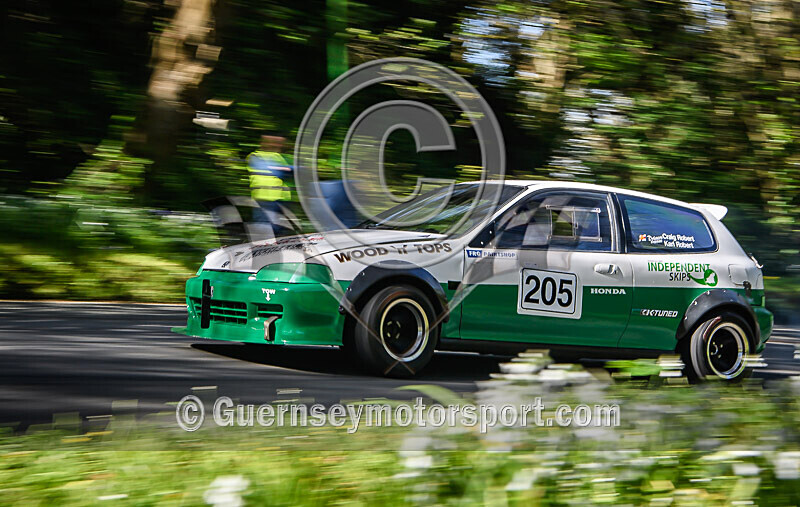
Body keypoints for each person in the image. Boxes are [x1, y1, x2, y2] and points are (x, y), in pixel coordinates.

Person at [246, 134, 293, 228]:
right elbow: (277, 171)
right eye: (274, 142)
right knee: (264, 227)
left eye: (279, 143)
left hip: (281, 199)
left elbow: (290, 172)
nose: (277, 145)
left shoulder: (279, 157)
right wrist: (288, 169)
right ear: (264, 143)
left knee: (279, 228)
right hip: (264, 198)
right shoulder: (255, 156)